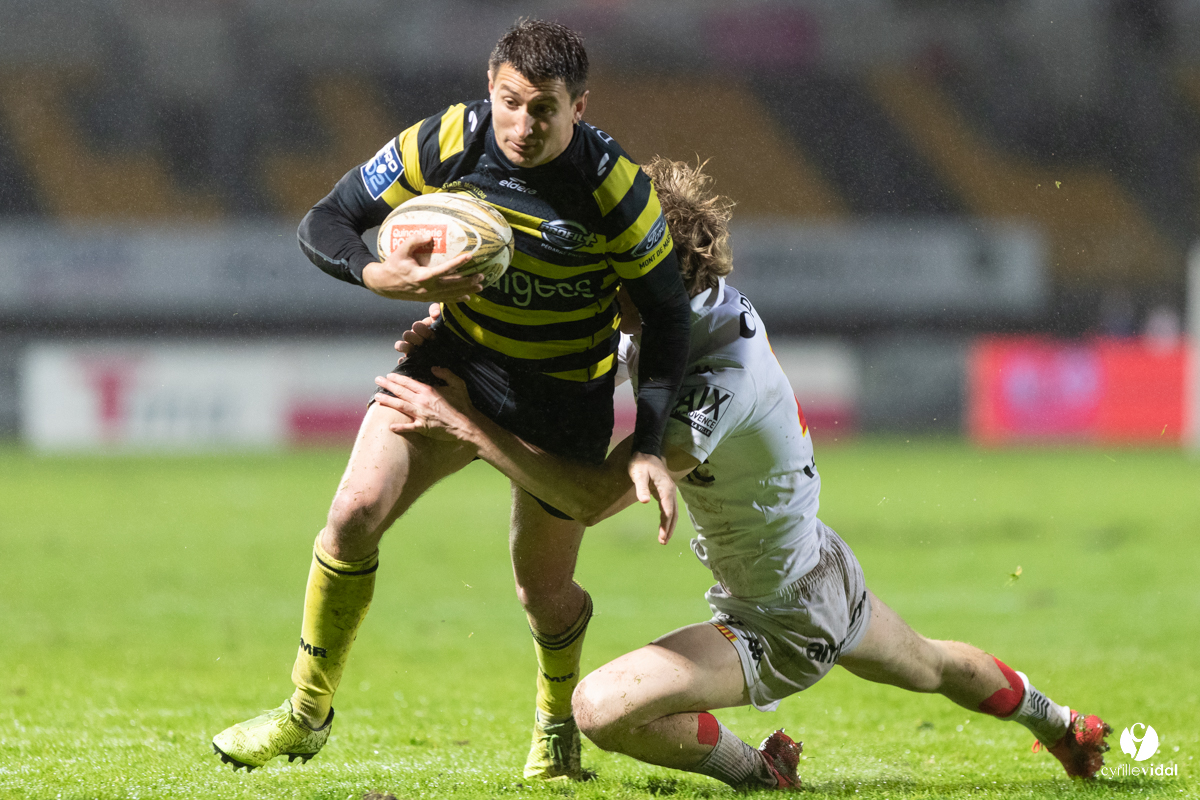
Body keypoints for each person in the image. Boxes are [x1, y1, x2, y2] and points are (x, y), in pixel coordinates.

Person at [374, 156, 1113, 790]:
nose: (595, 273)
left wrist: (465, 426)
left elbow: (589, 501)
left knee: (600, 709)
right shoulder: (674, 313)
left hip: (782, 618)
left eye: (612, 258)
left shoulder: (712, 376)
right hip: (816, 562)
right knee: (929, 666)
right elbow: (577, 344)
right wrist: (456, 341)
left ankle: (760, 770)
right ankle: (1063, 725)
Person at [211, 20, 691, 779]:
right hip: (455, 365)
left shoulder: (614, 188)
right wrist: (381, 276)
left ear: (580, 108)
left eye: (545, 110)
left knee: (545, 592)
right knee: (351, 517)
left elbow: (668, 314)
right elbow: (325, 221)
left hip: (562, 401)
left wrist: (651, 443)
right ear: (490, 88)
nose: (523, 125)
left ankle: (555, 724)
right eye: (510, 102)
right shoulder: (446, 142)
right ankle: (304, 713)